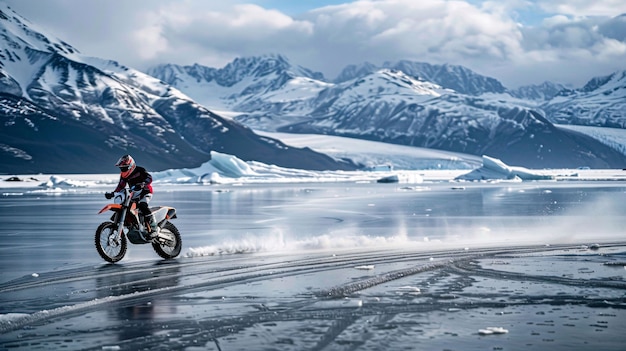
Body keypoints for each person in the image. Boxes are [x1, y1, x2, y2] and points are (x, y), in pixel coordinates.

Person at [105, 154, 159, 237]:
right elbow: (121, 186)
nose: (123, 169)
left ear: (131, 166)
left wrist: (143, 183)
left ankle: (154, 228)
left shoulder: (140, 170)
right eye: (121, 168)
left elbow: (149, 178)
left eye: (124, 168)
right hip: (134, 193)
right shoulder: (123, 175)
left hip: (145, 192)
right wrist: (112, 193)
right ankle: (132, 225)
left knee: (142, 205)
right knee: (126, 207)